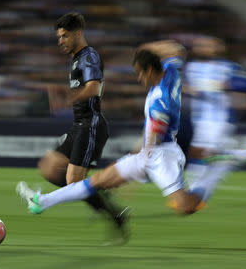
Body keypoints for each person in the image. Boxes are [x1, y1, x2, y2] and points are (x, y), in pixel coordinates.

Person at [17, 46, 210, 235]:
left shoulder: (160, 101)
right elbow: (178, 51)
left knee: (185, 207)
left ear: (150, 70)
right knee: (97, 181)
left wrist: (135, 172)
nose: (139, 78)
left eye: (140, 74)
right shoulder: (170, 71)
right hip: (148, 153)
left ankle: (208, 177)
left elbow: (154, 139)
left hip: (162, 157)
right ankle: (41, 201)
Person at [34, 12, 129, 242]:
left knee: (73, 183)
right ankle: (99, 192)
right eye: (59, 37)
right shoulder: (77, 58)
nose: (60, 41)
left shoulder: (89, 57)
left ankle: (114, 214)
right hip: (78, 125)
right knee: (49, 168)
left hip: (91, 125)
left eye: (65, 36)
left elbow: (94, 88)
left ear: (78, 33)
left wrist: (67, 97)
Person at [180, 36, 246, 205]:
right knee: (212, 158)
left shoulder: (228, 67)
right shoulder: (191, 67)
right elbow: (184, 85)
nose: (202, 47)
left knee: (201, 155)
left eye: (207, 45)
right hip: (198, 119)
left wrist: (227, 84)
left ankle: (194, 195)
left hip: (218, 120)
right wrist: (188, 89)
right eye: (200, 45)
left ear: (218, 48)